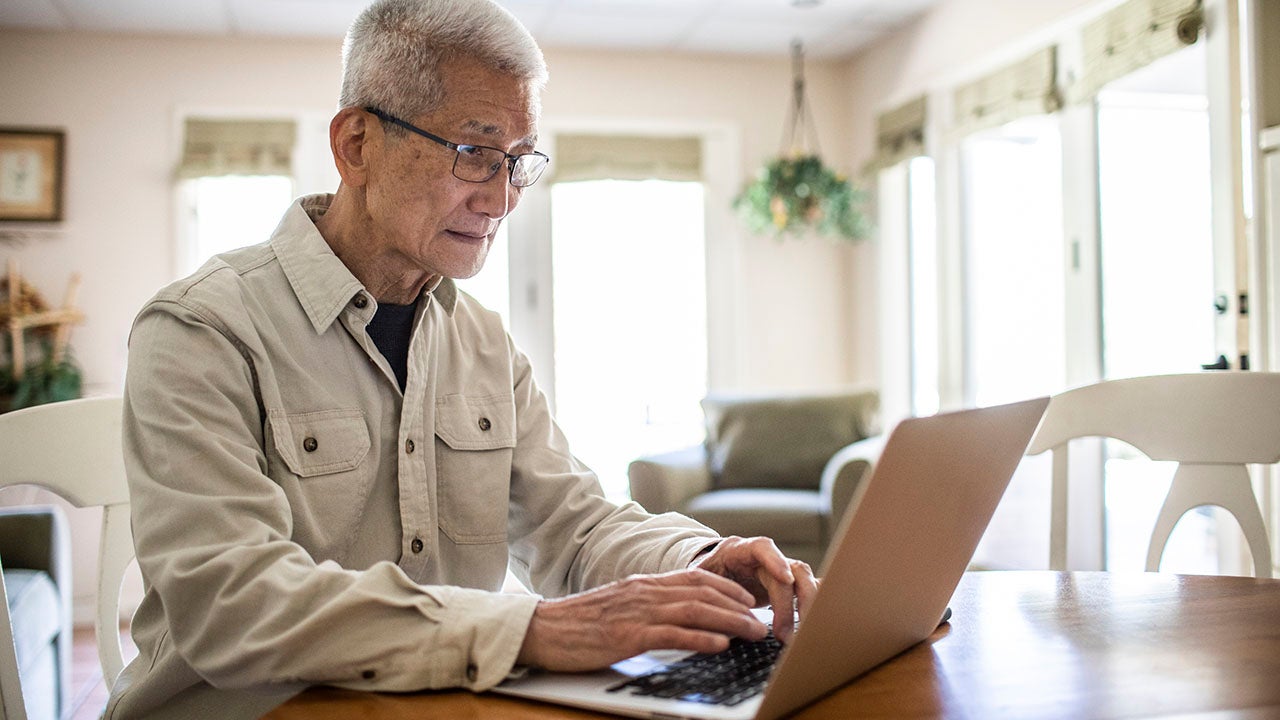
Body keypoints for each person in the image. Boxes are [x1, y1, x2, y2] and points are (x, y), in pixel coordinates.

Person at [106, 1, 816, 717]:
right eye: (474, 153)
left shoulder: (484, 343)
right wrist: (534, 628)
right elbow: (234, 603)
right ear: (357, 144)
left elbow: (572, 525)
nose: (502, 198)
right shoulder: (199, 329)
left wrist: (697, 565)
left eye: (517, 162)